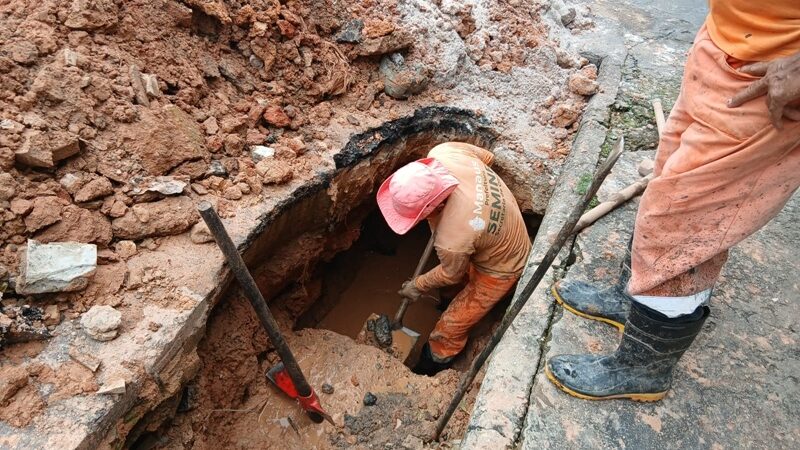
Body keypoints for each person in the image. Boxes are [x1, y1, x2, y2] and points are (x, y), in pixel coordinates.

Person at [546, 0, 800, 401]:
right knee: (666, 189)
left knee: (682, 230)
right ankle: (631, 297)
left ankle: (644, 369)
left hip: (771, 83)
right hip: (725, 51)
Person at [376, 142, 532, 375]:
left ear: (437, 205)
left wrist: (417, 286)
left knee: (449, 327)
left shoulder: (452, 239)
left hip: (504, 267)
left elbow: (451, 273)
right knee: (453, 280)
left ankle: (433, 364)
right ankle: (446, 301)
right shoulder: (445, 153)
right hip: (492, 234)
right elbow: (487, 158)